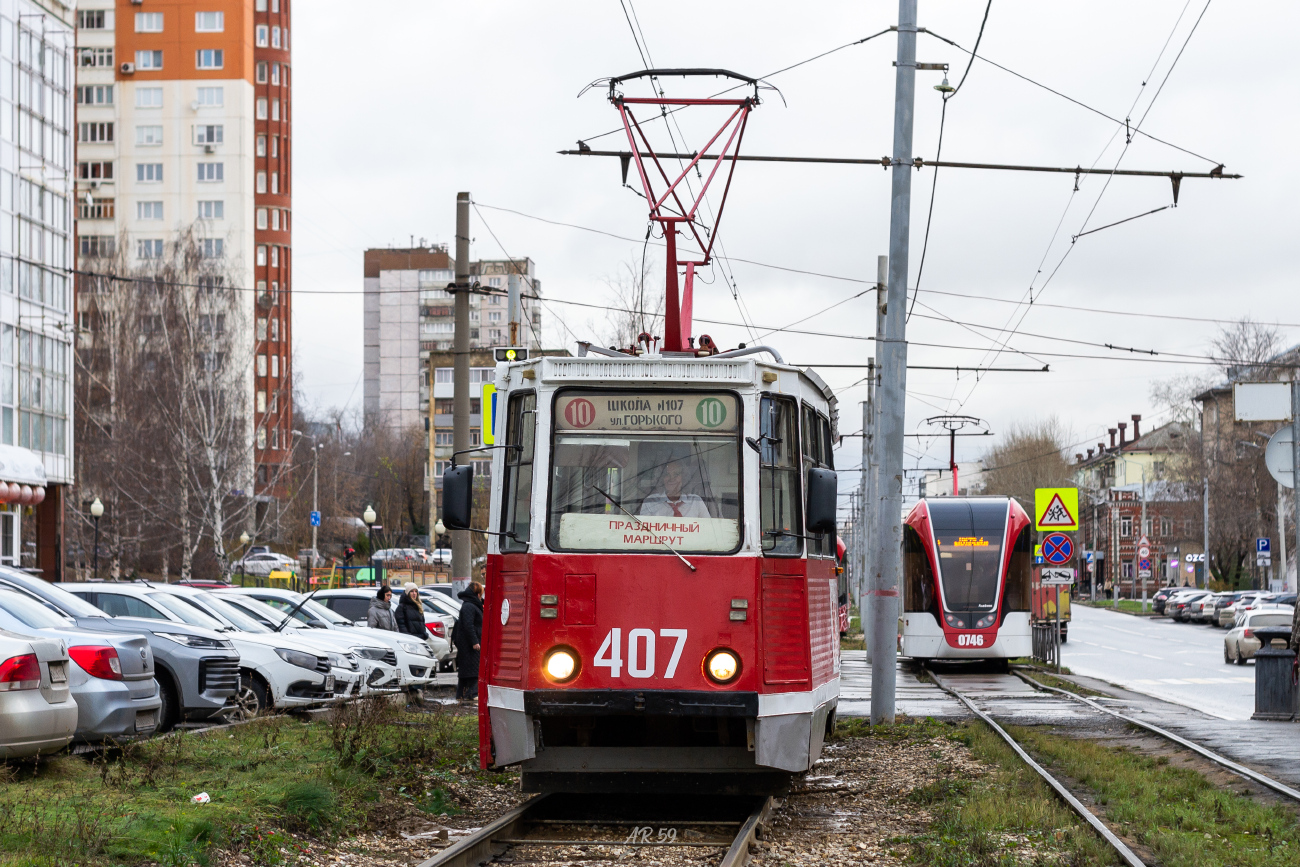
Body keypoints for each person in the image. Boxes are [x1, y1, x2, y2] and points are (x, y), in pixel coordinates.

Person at [639, 460, 710, 519]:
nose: (671, 479)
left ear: (683, 477)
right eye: (667, 474)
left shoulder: (696, 501)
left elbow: (708, 529)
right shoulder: (651, 501)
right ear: (661, 478)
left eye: (676, 474)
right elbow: (644, 532)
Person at [452, 582, 484, 701]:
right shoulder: (470, 606)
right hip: (470, 645)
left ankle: (461, 695)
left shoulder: (470, 604)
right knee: (473, 670)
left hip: (468, 644)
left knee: (466, 672)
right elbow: (468, 625)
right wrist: (475, 642)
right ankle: (472, 694)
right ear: (477, 594)